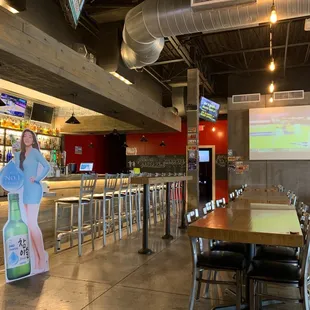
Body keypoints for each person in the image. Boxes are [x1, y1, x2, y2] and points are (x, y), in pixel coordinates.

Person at [13, 129, 50, 273]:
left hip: (34, 189)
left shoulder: (34, 152)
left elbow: (47, 166)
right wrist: (16, 154)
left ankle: (42, 257)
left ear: (34, 140)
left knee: (33, 224)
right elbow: (18, 170)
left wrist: (38, 179)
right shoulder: (22, 154)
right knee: (28, 225)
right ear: (22, 139)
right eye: (25, 136)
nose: (27, 138)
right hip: (25, 191)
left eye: (30, 136)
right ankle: (36, 258)